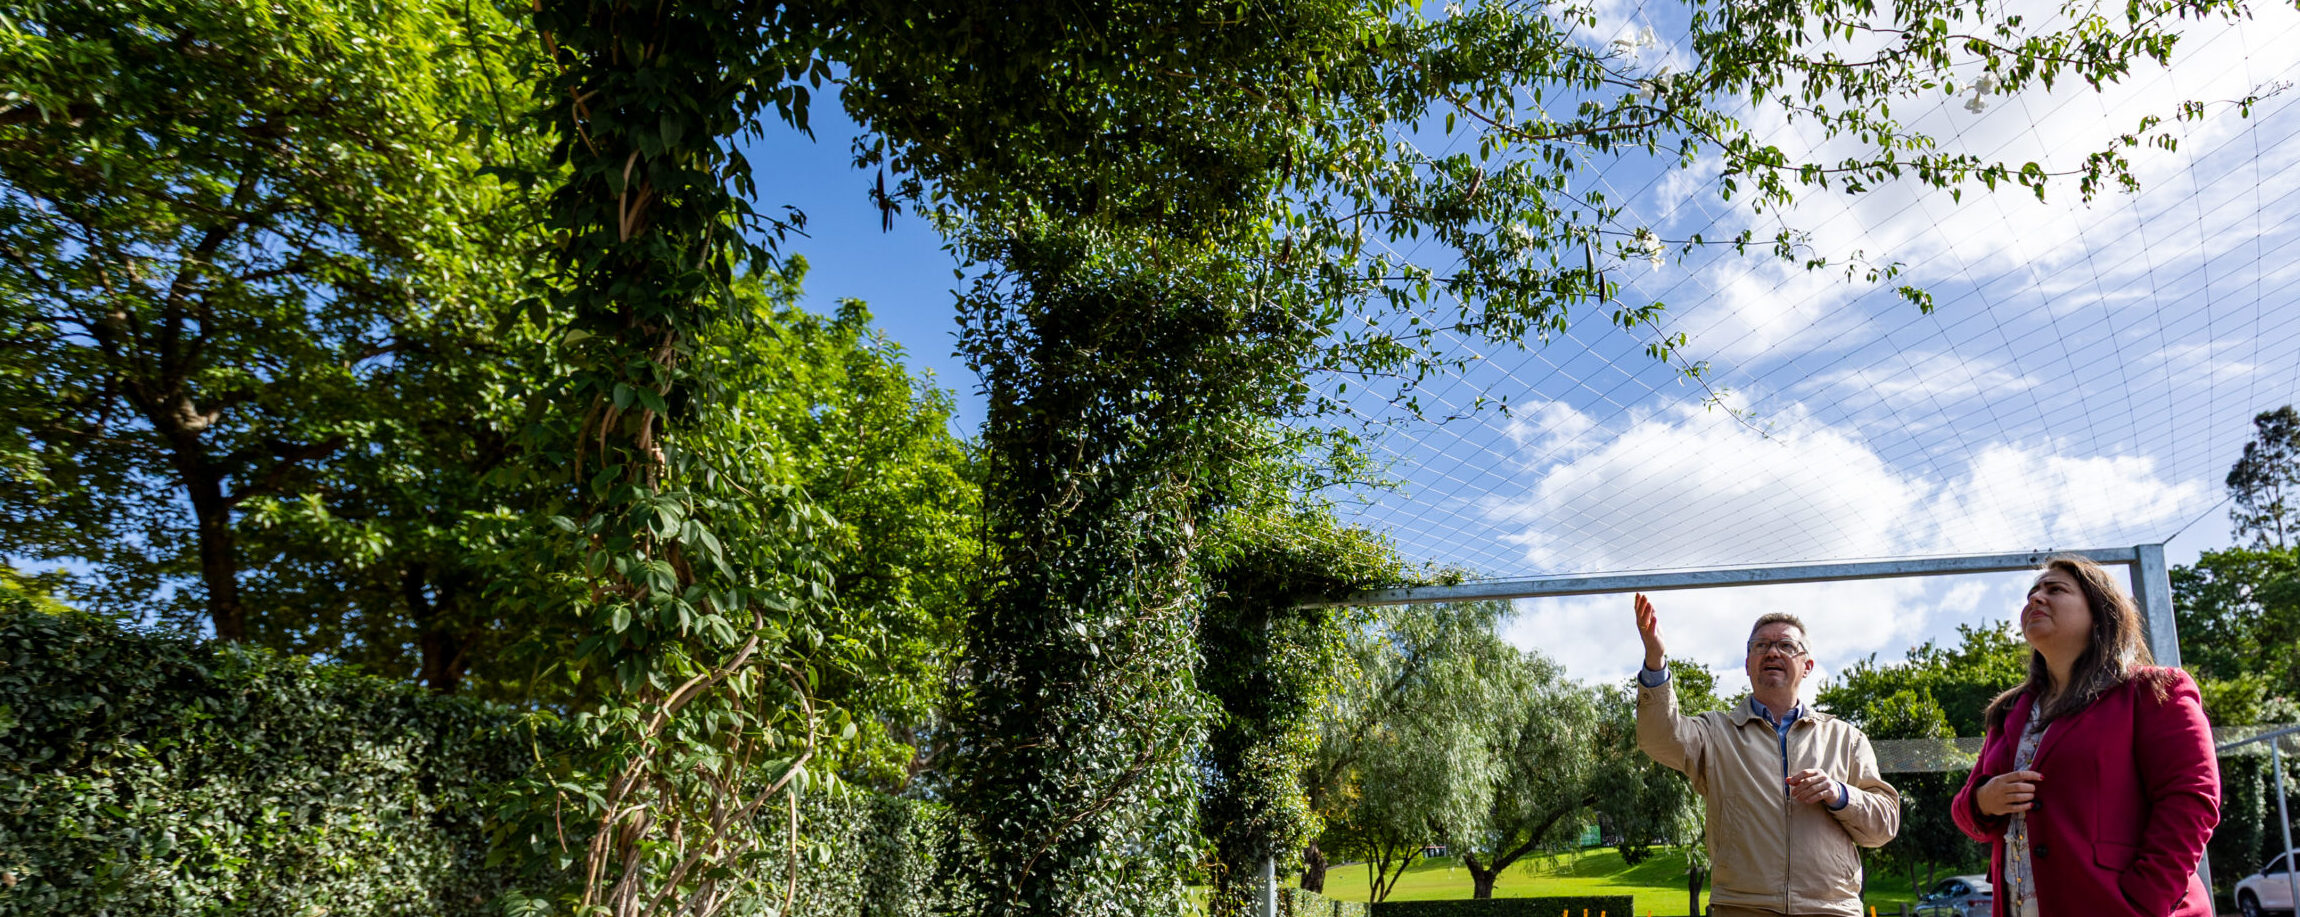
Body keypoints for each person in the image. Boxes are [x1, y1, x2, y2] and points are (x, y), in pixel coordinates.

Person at [1951, 556, 2219, 917]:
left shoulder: (2155, 690)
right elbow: (1964, 810)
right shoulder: (2008, 712)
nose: (2035, 599)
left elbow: (2191, 801)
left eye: (2055, 589)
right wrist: (1984, 800)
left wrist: (2143, 901)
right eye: (2032, 593)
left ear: (2101, 611)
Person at [1632, 594, 1901, 917]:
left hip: (1831, 909)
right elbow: (1658, 737)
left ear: (1807, 666)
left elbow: (1884, 826)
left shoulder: (1846, 739)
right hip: (1742, 908)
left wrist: (1839, 794)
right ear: (1747, 665)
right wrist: (1656, 659)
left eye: (1786, 646)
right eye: (1760, 645)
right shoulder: (1716, 733)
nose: (1772, 651)